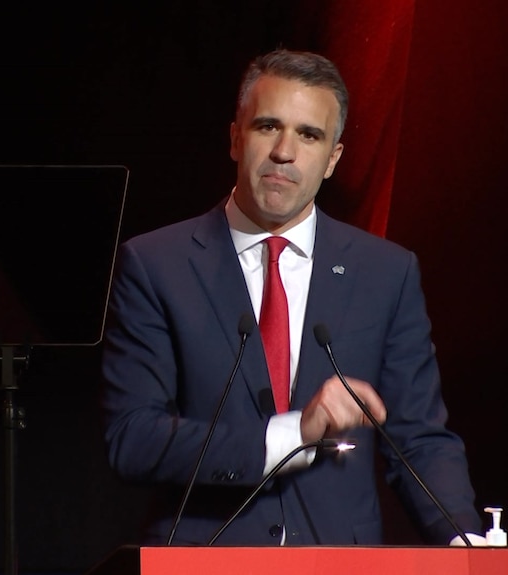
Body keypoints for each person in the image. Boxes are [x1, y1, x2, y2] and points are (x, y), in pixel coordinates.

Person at [100, 48, 486, 547]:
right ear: (235, 138)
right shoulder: (155, 266)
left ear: (333, 160)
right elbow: (133, 440)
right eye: (267, 127)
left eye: (309, 135)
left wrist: (463, 540)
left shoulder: (386, 273)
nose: (285, 151)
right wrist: (293, 434)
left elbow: (418, 438)